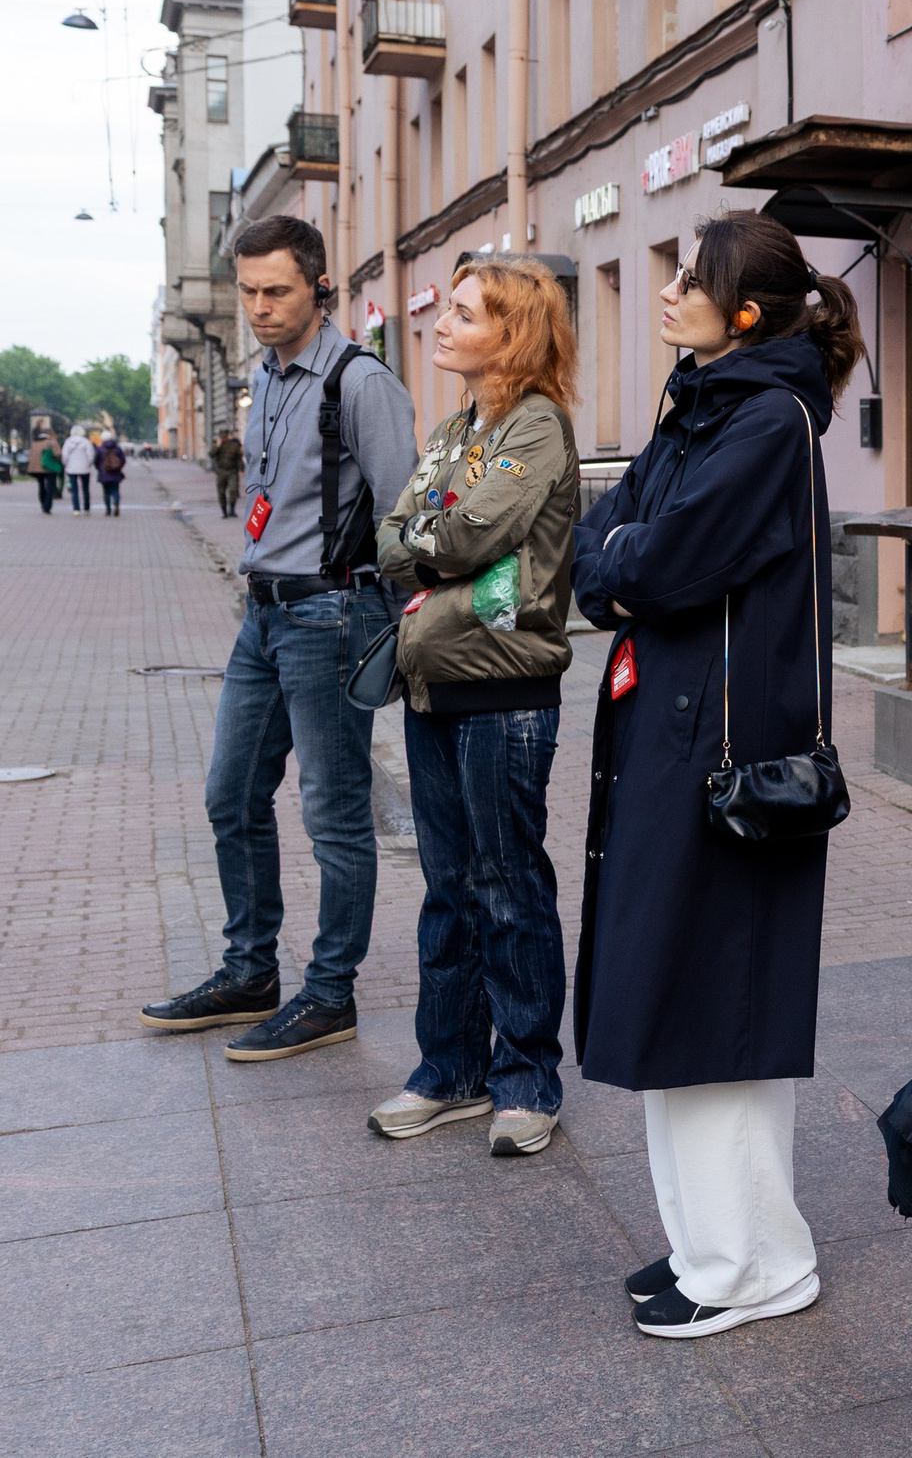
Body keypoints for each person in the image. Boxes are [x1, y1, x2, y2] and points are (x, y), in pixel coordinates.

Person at [572, 211, 863, 1339]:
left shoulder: (767, 419)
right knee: (678, 992)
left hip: (724, 754)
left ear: (742, 312)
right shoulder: (706, 404)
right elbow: (605, 541)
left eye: (689, 279)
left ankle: (752, 1264)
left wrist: (626, 563)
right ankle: (712, 1244)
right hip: (681, 738)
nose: (667, 291)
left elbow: (663, 561)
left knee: (714, 1004)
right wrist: (624, 562)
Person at [139, 215, 416, 1059]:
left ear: (319, 287)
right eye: (248, 291)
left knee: (334, 812)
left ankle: (330, 993)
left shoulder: (360, 381)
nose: (259, 306)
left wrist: (399, 630)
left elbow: (403, 516)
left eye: (276, 291)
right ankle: (250, 971)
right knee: (230, 793)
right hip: (262, 615)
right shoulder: (265, 375)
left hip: (331, 614)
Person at [365, 259, 581, 1157]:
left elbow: (464, 533)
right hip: (433, 686)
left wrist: (428, 543)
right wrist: (429, 544)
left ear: (512, 332)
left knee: (506, 885)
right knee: (448, 890)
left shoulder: (537, 426)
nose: (443, 324)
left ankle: (526, 1079)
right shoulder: (455, 430)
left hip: (503, 690)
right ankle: (449, 1071)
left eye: (463, 313)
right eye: (446, 309)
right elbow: (391, 534)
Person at [61, 425, 96, 514]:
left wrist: (65, 464)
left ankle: (76, 509)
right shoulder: (86, 442)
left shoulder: (68, 442)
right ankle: (87, 508)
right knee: (85, 489)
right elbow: (90, 455)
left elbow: (64, 455)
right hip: (84, 468)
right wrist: (89, 464)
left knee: (74, 489)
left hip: (71, 469)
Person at [211, 427, 245, 516]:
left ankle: (232, 510)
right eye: (222, 436)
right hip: (221, 471)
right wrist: (218, 446)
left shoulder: (234, 444)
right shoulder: (217, 444)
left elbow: (239, 458)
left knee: (233, 490)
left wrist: (241, 469)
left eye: (225, 436)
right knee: (221, 492)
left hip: (232, 471)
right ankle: (224, 512)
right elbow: (211, 454)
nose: (224, 438)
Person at [31, 422, 62, 514]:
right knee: (50, 487)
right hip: (50, 468)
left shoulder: (35, 443)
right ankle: (47, 507)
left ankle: (43, 504)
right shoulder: (52, 442)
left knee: (41, 486)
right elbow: (58, 454)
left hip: (37, 469)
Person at [94, 432, 127, 516]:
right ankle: (116, 504)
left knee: (106, 492)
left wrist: (99, 469)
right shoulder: (118, 449)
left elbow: (96, 461)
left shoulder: (100, 449)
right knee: (115, 491)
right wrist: (118, 468)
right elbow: (123, 460)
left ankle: (108, 510)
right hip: (115, 474)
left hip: (104, 474)